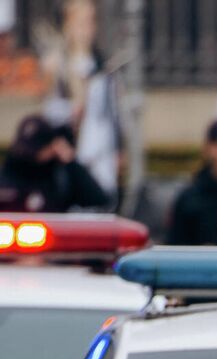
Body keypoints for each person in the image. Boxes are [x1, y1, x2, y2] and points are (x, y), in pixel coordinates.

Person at [40, 0, 123, 203]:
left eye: (91, 22)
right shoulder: (57, 65)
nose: (87, 29)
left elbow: (111, 112)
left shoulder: (102, 66)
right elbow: (49, 109)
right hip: (70, 153)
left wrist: (118, 149)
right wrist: (72, 110)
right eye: (81, 22)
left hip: (99, 153)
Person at [0, 112, 109, 212]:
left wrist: (71, 164)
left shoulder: (62, 173)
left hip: (56, 231)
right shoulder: (11, 169)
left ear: (53, 146)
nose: (30, 156)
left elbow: (98, 200)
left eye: (37, 150)